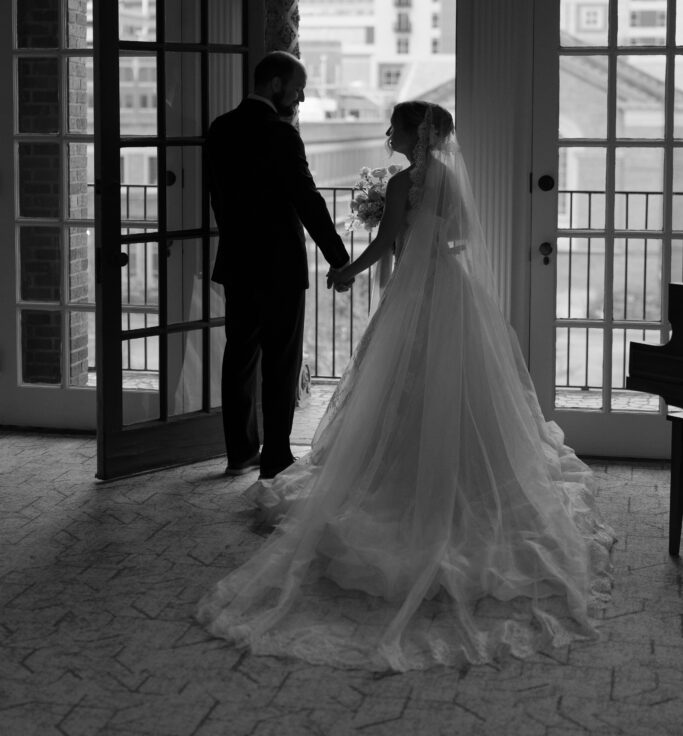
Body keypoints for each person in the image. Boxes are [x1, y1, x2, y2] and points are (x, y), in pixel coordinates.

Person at [198, 100, 614, 671]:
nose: (387, 131)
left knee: (400, 383)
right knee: (460, 387)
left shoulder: (404, 182)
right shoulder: (447, 178)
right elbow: (461, 240)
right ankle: (465, 473)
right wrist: (427, 251)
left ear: (416, 134)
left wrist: (347, 269)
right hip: (455, 290)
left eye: (394, 125)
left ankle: (399, 478)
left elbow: (384, 242)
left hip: (419, 295)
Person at [206, 50, 351, 481]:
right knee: (281, 362)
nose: (302, 98)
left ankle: (239, 453)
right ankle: (276, 457)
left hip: (237, 261)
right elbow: (308, 200)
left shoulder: (220, 129)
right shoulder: (281, 134)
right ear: (275, 84)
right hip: (279, 266)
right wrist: (339, 258)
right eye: (298, 87)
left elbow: (217, 197)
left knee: (240, 356)